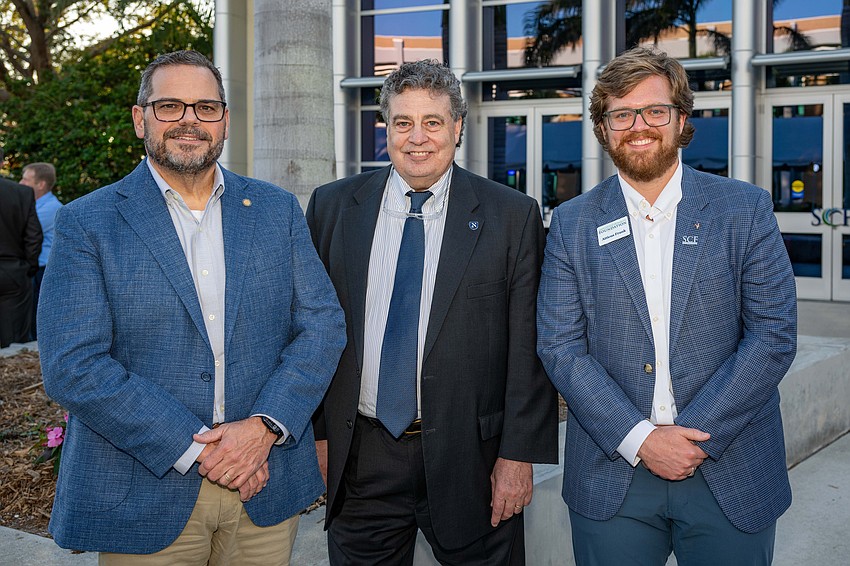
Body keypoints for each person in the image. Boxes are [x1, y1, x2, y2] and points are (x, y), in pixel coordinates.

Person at [38, 50, 346, 565]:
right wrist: (204, 449)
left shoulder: (276, 210)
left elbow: (321, 325)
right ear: (140, 119)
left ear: (224, 121)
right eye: (169, 107)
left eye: (205, 107)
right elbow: (73, 365)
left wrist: (264, 427)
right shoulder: (87, 222)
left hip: (263, 484)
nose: (188, 120)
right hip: (145, 490)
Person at [537, 46, 797, 565]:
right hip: (613, 476)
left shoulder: (743, 208)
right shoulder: (571, 223)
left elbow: (773, 334)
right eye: (621, 114)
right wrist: (642, 440)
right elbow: (561, 346)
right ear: (603, 127)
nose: (639, 125)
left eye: (654, 111)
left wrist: (695, 435)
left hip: (731, 465)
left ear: (681, 119)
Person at [307, 59, 558, 565]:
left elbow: (528, 348)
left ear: (458, 127)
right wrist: (319, 434)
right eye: (403, 122)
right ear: (387, 128)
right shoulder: (332, 208)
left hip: (475, 459)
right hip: (362, 457)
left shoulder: (511, 216)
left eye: (433, 122)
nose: (416, 137)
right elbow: (312, 330)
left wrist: (517, 455)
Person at [19, 162, 63, 340]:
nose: (21, 183)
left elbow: (21, 232)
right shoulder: (37, 206)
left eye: (26, 179)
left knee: (36, 316)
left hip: (44, 270)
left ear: (41, 184)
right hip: (38, 268)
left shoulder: (50, 209)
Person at [0, 177, 42, 347]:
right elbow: (34, 237)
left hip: (15, 270)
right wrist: (27, 268)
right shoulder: (20, 192)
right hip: (14, 272)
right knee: (14, 342)